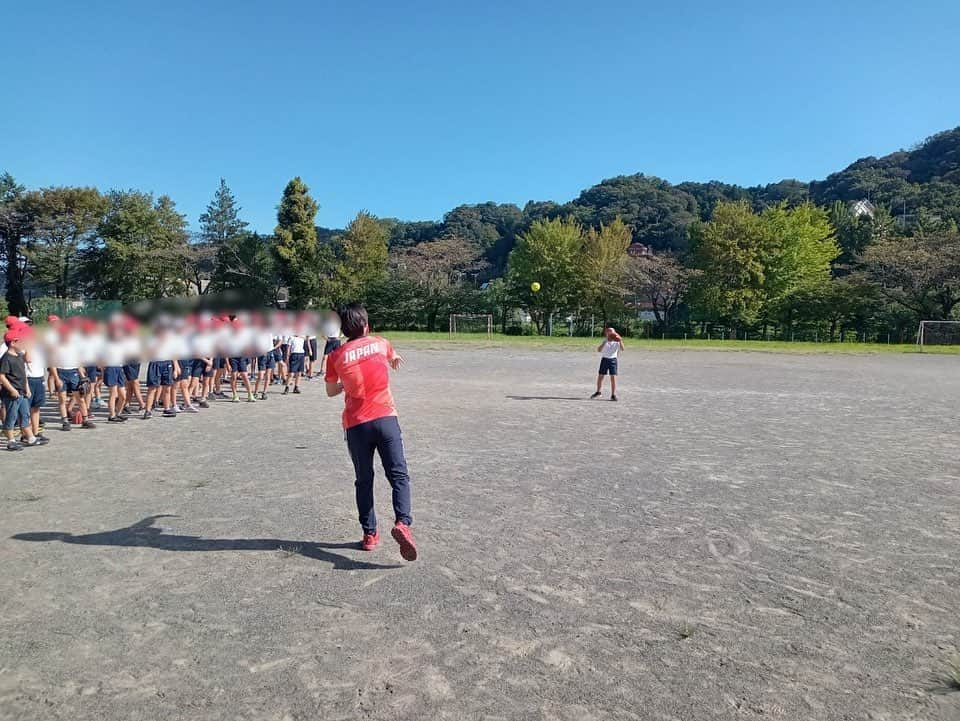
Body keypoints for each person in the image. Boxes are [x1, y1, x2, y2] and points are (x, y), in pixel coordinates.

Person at [325, 303, 417, 561]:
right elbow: (389, 353)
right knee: (398, 474)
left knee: (364, 479)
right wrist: (395, 357)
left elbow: (331, 391)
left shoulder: (337, 355)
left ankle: (370, 534)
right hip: (386, 418)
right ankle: (402, 522)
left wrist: (345, 382)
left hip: (357, 424)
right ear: (366, 325)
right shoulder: (380, 343)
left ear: (344, 330)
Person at [0, 326, 48, 450]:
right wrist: (12, 390)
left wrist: (27, 388)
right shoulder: (6, 358)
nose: (23, 343)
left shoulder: (19, 355)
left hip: (22, 391)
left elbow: (23, 374)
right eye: (20, 341)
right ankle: (11, 441)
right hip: (12, 394)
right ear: (12, 343)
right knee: (11, 417)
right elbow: (2, 377)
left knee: (25, 415)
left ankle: (30, 438)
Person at [591, 327, 624, 401]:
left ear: (615, 333)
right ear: (606, 334)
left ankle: (613, 395)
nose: (610, 333)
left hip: (613, 360)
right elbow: (599, 350)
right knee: (600, 376)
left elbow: (622, 349)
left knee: (613, 378)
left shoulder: (617, 341)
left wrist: (620, 340)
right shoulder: (605, 341)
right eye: (608, 332)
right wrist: (605, 342)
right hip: (604, 359)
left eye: (611, 332)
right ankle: (598, 392)